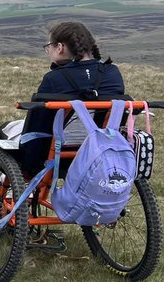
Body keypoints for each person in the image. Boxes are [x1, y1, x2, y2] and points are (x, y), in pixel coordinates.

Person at [18, 21, 125, 176]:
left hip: (53, 156)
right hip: (100, 154)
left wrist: (29, 164)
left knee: (7, 128)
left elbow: (38, 124)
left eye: (49, 47)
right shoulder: (112, 74)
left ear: (60, 47)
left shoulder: (53, 78)